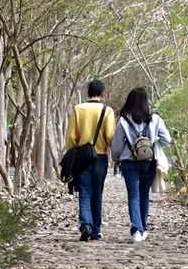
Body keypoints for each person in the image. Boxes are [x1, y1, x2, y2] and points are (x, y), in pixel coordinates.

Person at [111, 87, 171, 243]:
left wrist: (116, 158)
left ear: (130, 101)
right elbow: (167, 139)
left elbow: (116, 145)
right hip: (148, 163)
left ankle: (136, 230)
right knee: (144, 194)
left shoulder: (123, 120)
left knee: (133, 196)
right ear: (146, 102)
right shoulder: (155, 119)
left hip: (129, 162)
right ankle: (143, 228)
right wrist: (151, 144)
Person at [64, 80, 116, 241]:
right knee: (97, 193)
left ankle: (85, 225)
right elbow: (110, 136)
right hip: (100, 157)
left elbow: (71, 138)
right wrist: (113, 155)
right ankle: (96, 229)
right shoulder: (108, 111)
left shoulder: (77, 110)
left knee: (85, 192)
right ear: (103, 94)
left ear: (87, 93)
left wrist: (73, 152)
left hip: (82, 157)